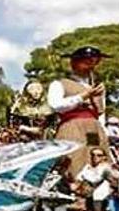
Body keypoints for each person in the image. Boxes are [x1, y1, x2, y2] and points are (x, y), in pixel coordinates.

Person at [47, 46, 112, 176]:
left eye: (94, 62)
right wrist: (83, 96)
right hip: (72, 127)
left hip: (94, 129)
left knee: (95, 157)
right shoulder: (60, 84)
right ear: (74, 63)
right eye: (87, 62)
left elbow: (101, 112)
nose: (91, 66)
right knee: (74, 161)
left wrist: (103, 130)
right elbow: (55, 105)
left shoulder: (96, 86)